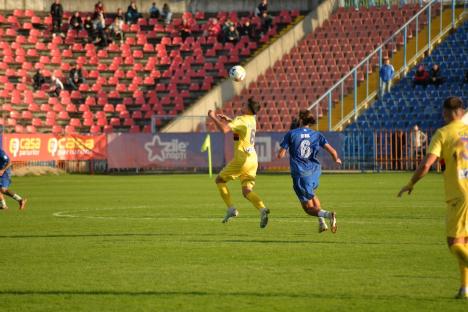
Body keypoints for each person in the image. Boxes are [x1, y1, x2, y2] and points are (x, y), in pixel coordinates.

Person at [398, 96, 468, 300]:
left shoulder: (443, 133)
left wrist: (411, 183)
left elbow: (427, 164)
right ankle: (464, 288)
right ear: (461, 112)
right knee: (464, 241)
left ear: (446, 113)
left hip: (460, 193)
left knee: (453, 243)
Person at [207, 98, 270, 228]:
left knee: (219, 180)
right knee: (247, 190)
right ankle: (262, 209)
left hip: (242, 159)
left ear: (248, 109)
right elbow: (240, 129)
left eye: (245, 104)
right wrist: (230, 120)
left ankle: (231, 208)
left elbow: (224, 130)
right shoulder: (252, 120)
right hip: (253, 159)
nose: (243, 105)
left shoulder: (241, 119)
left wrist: (213, 117)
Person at [277, 110, 340, 233]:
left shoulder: (291, 134)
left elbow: (280, 155)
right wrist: (336, 159)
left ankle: (328, 215)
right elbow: (333, 152)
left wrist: (282, 153)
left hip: (301, 174)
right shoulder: (317, 135)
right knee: (312, 194)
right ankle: (322, 223)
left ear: (300, 120)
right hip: (315, 171)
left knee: (307, 208)